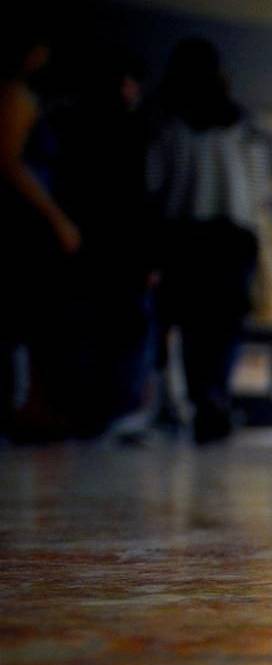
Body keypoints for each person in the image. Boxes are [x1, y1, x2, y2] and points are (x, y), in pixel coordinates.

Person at [147, 37, 268, 445]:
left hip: (184, 236)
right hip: (234, 238)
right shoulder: (243, 126)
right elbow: (259, 190)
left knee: (189, 323)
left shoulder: (168, 122)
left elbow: (154, 181)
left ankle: (194, 396)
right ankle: (214, 394)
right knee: (225, 326)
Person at [53, 46, 154, 438]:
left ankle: (96, 410)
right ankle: (105, 410)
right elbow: (144, 197)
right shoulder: (133, 132)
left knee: (103, 329)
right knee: (113, 330)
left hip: (101, 244)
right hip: (110, 245)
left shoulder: (77, 126)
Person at [1, 24, 81, 441]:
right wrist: (55, 217)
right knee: (22, 317)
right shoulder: (15, 95)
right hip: (22, 223)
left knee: (29, 320)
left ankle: (28, 403)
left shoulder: (27, 96)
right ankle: (22, 405)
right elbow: (10, 161)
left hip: (29, 223)